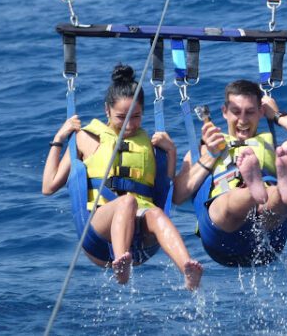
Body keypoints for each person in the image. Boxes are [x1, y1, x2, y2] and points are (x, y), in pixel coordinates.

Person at [42, 64, 203, 289]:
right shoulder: (86, 138)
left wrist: (172, 151)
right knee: (126, 202)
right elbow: (48, 186)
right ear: (107, 111)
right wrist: (60, 138)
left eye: (136, 116)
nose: (129, 124)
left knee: (156, 214)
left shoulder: (151, 143)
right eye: (121, 117)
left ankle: (187, 269)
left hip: (141, 232)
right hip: (99, 231)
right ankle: (121, 264)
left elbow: (166, 189)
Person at [173, 79, 287, 266]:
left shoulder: (273, 147)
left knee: (272, 202)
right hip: (221, 239)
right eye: (236, 112)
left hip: (269, 236)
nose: (242, 120)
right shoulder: (203, 149)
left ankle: (281, 196)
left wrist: (276, 114)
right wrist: (211, 155)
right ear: (224, 112)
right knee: (229, 206)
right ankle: (256, 192)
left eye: (250, 112)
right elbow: (177, 196)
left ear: (261, 112)